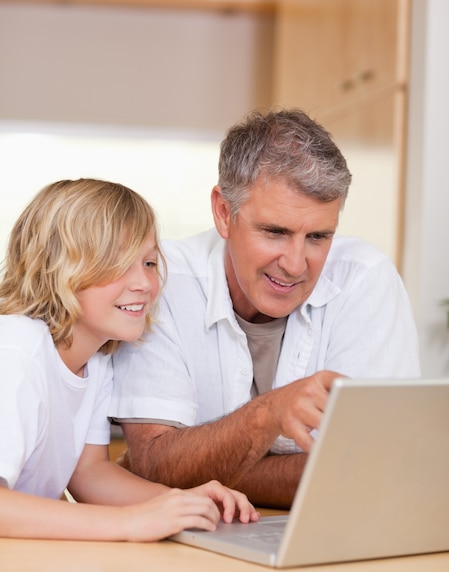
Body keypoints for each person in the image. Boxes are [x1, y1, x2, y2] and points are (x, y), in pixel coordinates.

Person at [110, 108, 421, 509]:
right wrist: (269, 414)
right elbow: (157, 462)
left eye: (318, 236)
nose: (294, 264)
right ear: (224, 212)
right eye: (275, 232)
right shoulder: (161, 283)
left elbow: (375, 471)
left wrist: (198, 467)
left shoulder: (364, 278)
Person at [0, 178, 259, 541]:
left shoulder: (98, 357)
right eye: (118, 264)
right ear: (59, 268)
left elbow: (89, 473)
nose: (144, 283)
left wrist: (181, 501)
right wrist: (130, 524)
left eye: (150, 262)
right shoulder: (15, 350)